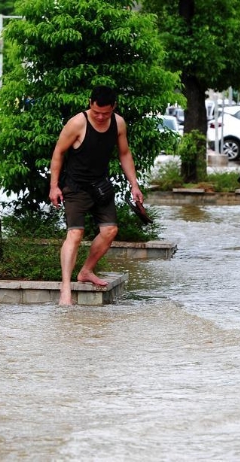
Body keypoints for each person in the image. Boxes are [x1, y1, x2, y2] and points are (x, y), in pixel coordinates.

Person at [49, 86, 143, 305]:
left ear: (114, 108)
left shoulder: (118, 123)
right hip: (75, 187)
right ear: (90, 103)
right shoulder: (77, 123)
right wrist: (54, 186)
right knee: (75, 234)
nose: (101, 117)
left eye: (106, 113)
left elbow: (124, 153)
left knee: (110, 230)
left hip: (100, 185)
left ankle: (86, 271)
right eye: (96, 112)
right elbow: (58, 153)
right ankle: (65, 288)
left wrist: (134, 185)